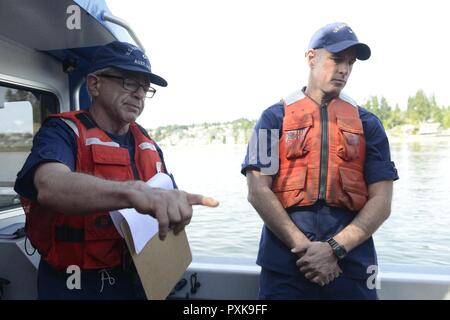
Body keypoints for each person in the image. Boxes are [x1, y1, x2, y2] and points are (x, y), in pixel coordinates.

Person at [14, 41, 218, 299]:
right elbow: (50, 185)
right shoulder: (62, 132)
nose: (139, 94)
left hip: (137, 278)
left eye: (145, 88)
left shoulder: (148, 144)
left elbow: (163, 198)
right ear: (94, 84)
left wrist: (177, 208)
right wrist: (133, 192)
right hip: (75, 283)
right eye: (129, 82)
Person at [242, 22, 399, 299]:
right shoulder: (272, 118)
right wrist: (305, 248)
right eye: (337, 59)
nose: (344, 70)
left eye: (350, 63)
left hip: (351, 262)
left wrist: (334, 249)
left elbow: (382, 202)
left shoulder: (369, 124)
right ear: (311, 58)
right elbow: (257, 191)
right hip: (287, 260)